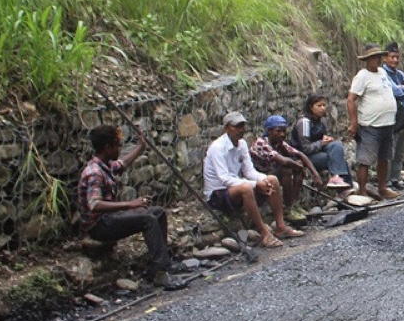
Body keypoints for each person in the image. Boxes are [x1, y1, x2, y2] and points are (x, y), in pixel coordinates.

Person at [77, 124, 186, 290]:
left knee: (158, 213)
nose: (120, 149)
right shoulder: (94, 173)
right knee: (148, 220)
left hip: (108, 219)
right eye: (118, 145)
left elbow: (123, 163)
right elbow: (94, 204)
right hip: (98, 225)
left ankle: (163, 261)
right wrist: (130, 204)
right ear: (108, 148)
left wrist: (140, 148)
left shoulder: (104, 165)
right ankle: (160, 273)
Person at [202, 110, 303, 248]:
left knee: (272, 179)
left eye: (242, 126)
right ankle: (264, 233)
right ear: (227, 128)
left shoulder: (242, 144)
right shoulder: (218, 148)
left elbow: (249, 170)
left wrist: (262, 180)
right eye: (237, 126)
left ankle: (281, 226)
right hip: (218, 193)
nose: (241, 130)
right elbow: (224, 178)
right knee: (246, 188)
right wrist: (255, 184)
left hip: (234, 185)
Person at [347, 43, 398, 200]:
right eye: (373, 57)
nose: (377, 60)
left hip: (387, 123)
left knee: (384, 157)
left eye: (378, 57)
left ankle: (382, 187)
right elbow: (351, 99)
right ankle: (362, 191)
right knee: (365, 159)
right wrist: (354, 123)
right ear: (367, 60)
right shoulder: (362, 76)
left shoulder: (382, 73)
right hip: (371, 125)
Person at [250, 115, 320, 222]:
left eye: (284, 131)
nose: (282, 134)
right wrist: (299, 167)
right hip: (259, 176)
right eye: (278, 131)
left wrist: (315, 174)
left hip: (271, 172)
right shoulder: (261, 143)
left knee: (297, 163)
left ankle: (294, 204)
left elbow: (300, 154)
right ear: (269, 131)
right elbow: (282, 160)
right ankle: (288, 209)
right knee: (287, 168)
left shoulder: (279, 143)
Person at [291, 94, 353, 191]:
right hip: (305, 157)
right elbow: (306, 148)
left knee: (337, 145)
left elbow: (326, 139)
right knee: (333, 159)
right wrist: (322, 143)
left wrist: (328, 140)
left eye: (324, 105)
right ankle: (345, 189)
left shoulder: (322, 121)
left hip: (319, 151)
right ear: (311, 107)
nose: (323, 108)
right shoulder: (304, 123)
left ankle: (338, 180)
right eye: (319, 106)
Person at [382, 43, 404, 188]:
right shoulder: (383, 74)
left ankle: (395, 179)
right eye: (392, 57)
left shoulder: (399, 73)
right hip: (391, 118)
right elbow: (395, 91)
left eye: (397, 57)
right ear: (385, 58)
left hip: (402, 118)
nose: (395, 60)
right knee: (389, 150)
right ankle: (385, 183)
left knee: (399, 150)